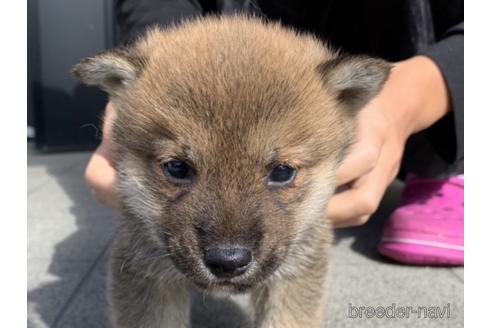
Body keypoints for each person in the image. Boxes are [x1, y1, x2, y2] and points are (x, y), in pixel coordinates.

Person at [85, 0, 463, 265]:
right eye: (177, 169)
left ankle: (445, 168)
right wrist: (163, 69)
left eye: (282, 172)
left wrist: (412, 98)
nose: (227, 247)